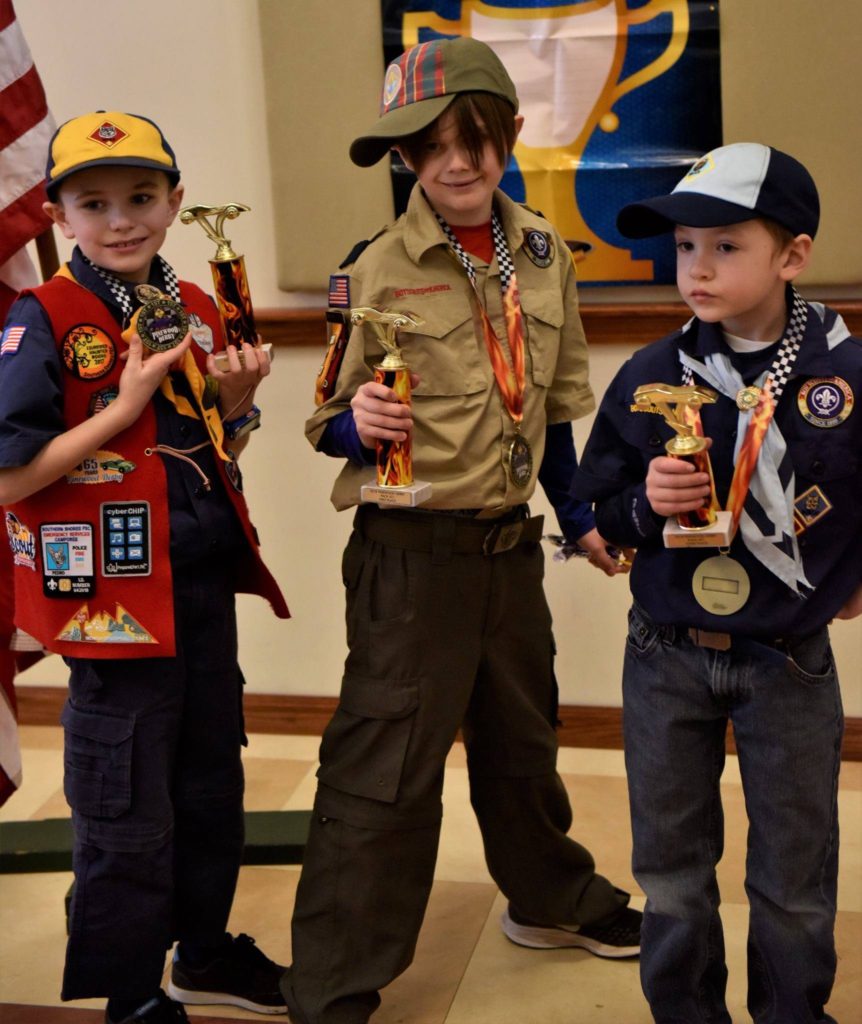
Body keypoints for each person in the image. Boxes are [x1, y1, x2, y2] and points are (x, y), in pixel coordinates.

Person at [284, 36, 641, 1024]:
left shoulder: (542, 258)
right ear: (404, 160)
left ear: (510, 135)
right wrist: (358, 424)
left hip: (507, 552)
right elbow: (324, 421)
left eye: (472, 139)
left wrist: (576, 520)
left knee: (523, 740)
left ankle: (549, 896)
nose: (453, 163)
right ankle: (335, 982)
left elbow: (556, 411)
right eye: (427, 148)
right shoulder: (374, 269)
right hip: (408, 561)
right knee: (386, 771)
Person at [0, 111, 291, 1023]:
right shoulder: (42, 316)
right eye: (94, 203)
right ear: (60, 214)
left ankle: (202, 950)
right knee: (125, 803)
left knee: (211, 787)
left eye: (139, 198)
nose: (120, 220)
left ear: (173, 202)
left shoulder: (194, 306)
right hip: (112, 607)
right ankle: (129, 992)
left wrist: (236, 411)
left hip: (198, 584)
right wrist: (123, 400)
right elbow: (11, 475)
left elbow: (213, 451)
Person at [573, 142, 861, 1022]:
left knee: (795, 871)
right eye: (685, 246)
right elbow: (591, 508)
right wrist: (640, 513)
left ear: (793, 255)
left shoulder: (845, 372)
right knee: (670, 870)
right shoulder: (653, 374)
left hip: (789, 660)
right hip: (665, 656)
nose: (696, 267)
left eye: (726, 246)